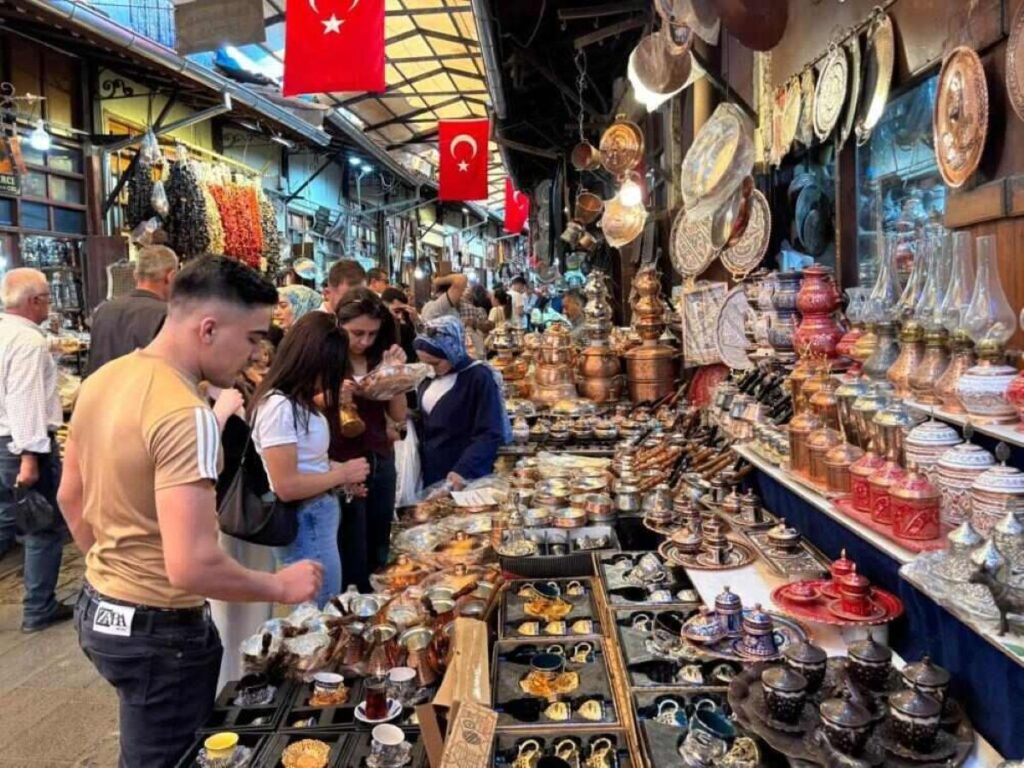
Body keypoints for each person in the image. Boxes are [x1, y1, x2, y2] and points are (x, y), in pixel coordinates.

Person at [58, 255, 324, 768]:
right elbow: (192, 565)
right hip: (160, 632)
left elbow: (71, 497)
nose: (254, 355)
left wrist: (113, 572)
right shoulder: (187, 414)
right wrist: (279, 586)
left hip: (101, 611)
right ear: (208, 328)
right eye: (252, 338)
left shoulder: (104, 379)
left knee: (145, 746)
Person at [251, 312, 370, 608]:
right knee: (320, 613)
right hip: (306, 525)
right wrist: (341, 475)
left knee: (327, 606)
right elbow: (286, 485)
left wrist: (339, 476)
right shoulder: (279, 407)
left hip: (318, 519)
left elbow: (307, 463)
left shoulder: (297, 402)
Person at [0, 269, 68, 633]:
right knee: (41, 528)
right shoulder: (27, 341)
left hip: (2, 443)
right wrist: (29, 456)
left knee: (6, 519)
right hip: (20, 445)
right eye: (46, 298)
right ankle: (38, 608)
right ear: (33, 302)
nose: (49, 305)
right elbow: (25, 399)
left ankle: (39, 603)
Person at [333, 290, 407, 591]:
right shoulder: (328, 359)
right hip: (343, 463)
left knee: (379, 543)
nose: (364, 341)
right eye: (357, 333)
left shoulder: (379, 356)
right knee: (351, 549)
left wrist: (394, 376)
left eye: (372, 334)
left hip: (380, 457)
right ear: (339, 326)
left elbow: (398, 414)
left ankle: (376, 609)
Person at [413, 316, 506, 489]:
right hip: (431, 474)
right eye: (425, 363)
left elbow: (489, 432)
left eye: (435, 363)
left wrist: (464, 469)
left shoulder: (478, 378)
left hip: (463, 476)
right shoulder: (427, 378)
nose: (430, 369)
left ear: (452, 351)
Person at [86, 245, 179, 376]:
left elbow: (91, 365)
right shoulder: (168, 315)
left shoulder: (103, 310)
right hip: (145, 395)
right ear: (171, 276)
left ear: (136, 276)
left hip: (102, 393)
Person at [381, 286, 420, 363]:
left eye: (403, 311)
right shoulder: (377, 328)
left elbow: (414, 351)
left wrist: (416, 322)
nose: (400, 316)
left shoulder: (406, 324)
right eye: (396, 311)